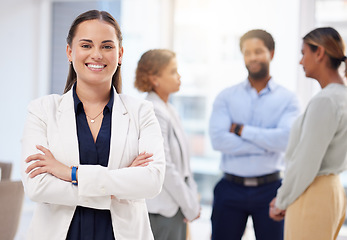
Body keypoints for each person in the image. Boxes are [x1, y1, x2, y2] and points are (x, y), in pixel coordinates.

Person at [21, 10, 165, 240]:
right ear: (70, 52)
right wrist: (118, 185)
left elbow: (152, 181)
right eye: (86, 45)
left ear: (120, 54)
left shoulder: (141, 112)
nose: (96, 54)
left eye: (107, 46)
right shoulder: (42, 111)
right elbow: (37, 186)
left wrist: (70, 173)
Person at [209, 29, 300, 240]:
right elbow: (218, 140)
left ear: (272, 53)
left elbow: (287, 140)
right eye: (247, 52)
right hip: (230, 188)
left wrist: (242, 131)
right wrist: (269, 143)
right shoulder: (226, 97)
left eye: (258, 51)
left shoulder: (288, 99)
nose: (252, 57)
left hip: (271, 191)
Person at [270, 27, 347, 240]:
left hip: (312, 192)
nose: (301, 61)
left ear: (319, 53)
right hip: (332, 191)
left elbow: (306, 161)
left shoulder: (325, 100)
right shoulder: (341, 97)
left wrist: (281, 200)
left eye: (304, 53)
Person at [134, 49, 201, 240]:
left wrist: (191, 202)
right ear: (154, 78)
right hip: (163, 210)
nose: (179, 76)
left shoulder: (169, 109)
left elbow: (185, 166)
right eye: (173, 71)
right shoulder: (153, 110)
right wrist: (190, 205)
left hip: (176, 207)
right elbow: (165, 167)